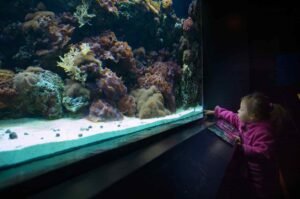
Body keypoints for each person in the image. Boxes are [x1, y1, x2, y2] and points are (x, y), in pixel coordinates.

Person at [205, 92, 288, 199]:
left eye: (241, 109)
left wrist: (243, 147)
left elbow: (264, 152)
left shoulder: (264, 131)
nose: (238, 111)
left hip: (262, 177)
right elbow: (232, 117)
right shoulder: (245, 121)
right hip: (250, 172)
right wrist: (217, 112)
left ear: (253, 116)